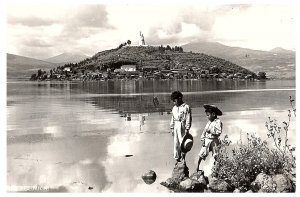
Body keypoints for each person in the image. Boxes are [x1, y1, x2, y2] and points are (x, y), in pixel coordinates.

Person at [196, 104, 223, 172]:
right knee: (202, 153)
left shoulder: (218, 122)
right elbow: (204, 131)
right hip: (207, 140)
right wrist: (203, 139)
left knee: (216, 154)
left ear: (213, 114)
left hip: (214, 140)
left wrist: (211, 131)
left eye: (208, 115)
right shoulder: (209, 122)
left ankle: (218, 167)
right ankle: (197, 167)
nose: (207, 117)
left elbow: (219, 132)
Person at [170, 91, 192, 163]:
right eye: (173, 101)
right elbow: (172, 118)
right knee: (176, 143)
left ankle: (183, 158)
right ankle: (177, 158)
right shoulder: (174, 108)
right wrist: (172, 128)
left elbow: (188, 118)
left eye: (175, 101)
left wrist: (187, 128)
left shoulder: (186, 107)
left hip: (182, 125)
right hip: (176, 125)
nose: (174, 103)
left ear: (179, 98)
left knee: (183, 142)